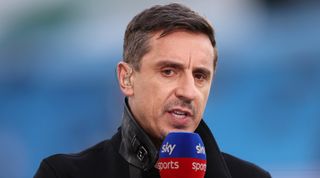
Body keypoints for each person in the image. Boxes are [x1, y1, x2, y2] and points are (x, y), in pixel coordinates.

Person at [34, 3, 271, 178]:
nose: (188, 92)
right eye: (169, 71)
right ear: (127, 78)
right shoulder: (63, 175)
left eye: (200, 76)